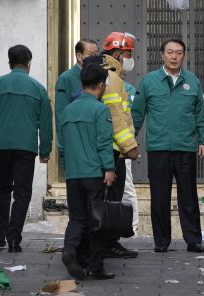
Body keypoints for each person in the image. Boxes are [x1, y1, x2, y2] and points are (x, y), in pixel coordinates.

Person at [132, 38, 204, 253]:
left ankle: (193, 240)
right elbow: (137, 113)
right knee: (159, 196)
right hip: (158, 148)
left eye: (178, 53)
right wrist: (129, 142)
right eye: (170, 52)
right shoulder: (149, 81)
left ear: (183, 56)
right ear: (162, 55)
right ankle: (161, 241)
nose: (174, 56)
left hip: (185, 147)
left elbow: (200, 114)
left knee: (188, 195)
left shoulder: (192, 81)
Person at [0, 44, 52, 252]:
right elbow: (45, 122)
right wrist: (45, 150)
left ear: (10, 63)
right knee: (22, 192)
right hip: (25, 148)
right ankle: (14, 238)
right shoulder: (38, 89)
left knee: (3, 187)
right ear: (29, 64)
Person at [58, 63, 116, 280]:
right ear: (100, 85)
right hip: (94, 173)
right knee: (98, 221)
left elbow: (62, 146)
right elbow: (104, 143)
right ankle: (96, 267)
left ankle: (70, 251)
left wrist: (68, 166)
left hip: (73, 174)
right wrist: (109, 168)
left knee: (77, 218)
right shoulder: (100, 110)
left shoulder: (67, 111)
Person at [100, 32, 140, 258]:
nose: (130, 58)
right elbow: (117, 118)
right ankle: (109, 244)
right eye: (128, 53)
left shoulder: (108, 75)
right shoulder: (113, 79)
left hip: (108, 148)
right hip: (114, 150)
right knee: (112, 200)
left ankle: (105, 243)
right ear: (117, 53)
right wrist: (129, 146)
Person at [55, 39, 99, 137]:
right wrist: (63, 142)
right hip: (75, 135)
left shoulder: (100, 76)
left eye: (96, 55)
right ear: (79, 56)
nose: (95, 59)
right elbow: (61, 112)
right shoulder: (66, 78)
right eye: (91, 55)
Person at [123, 81, 140, 232]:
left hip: (122, 145)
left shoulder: (129, 89)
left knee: (126, 186)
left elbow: (131, 118)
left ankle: (133, 227)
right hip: (104, 145)